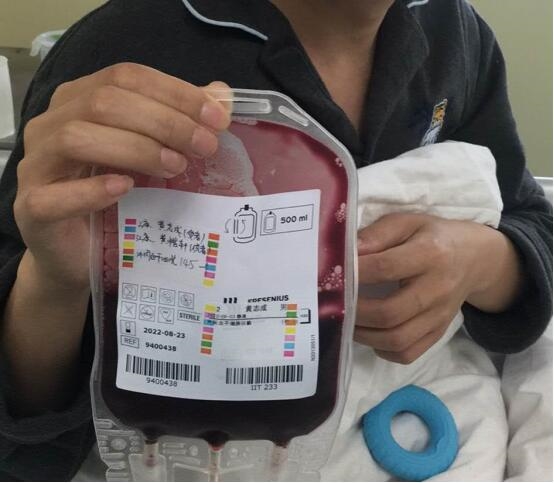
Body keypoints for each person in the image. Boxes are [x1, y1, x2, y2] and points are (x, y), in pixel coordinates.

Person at [0, 0, 551, 480]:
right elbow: (23, 424)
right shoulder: (120, 48)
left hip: (415, 403)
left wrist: (481, 262)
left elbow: (526, 216)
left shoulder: (458, 34)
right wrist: (54, 284)